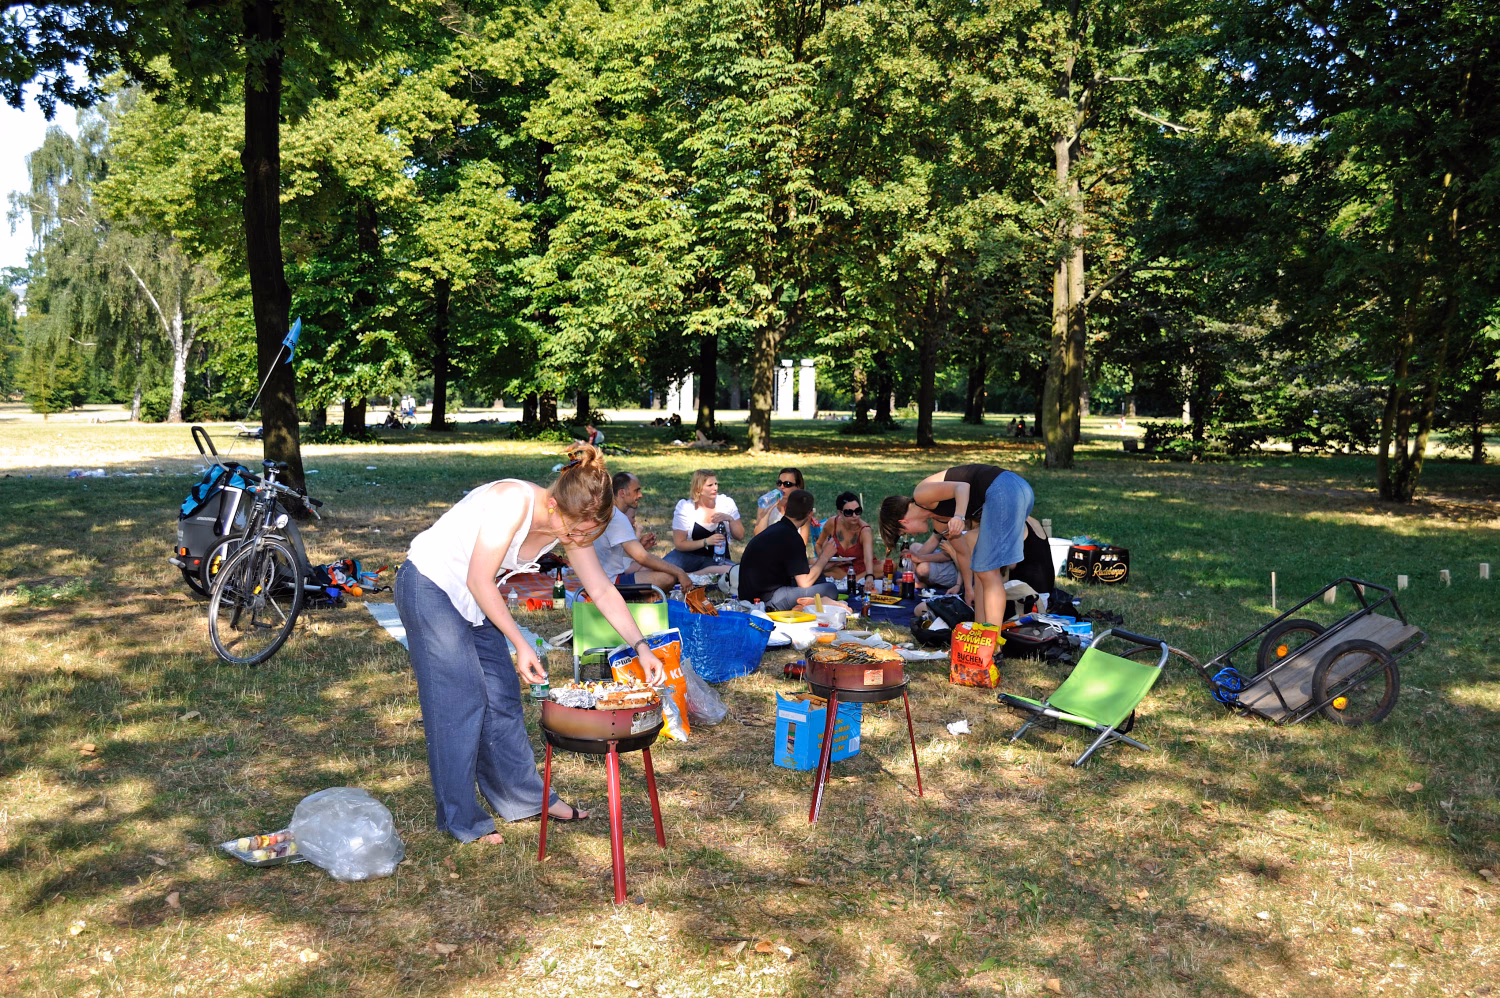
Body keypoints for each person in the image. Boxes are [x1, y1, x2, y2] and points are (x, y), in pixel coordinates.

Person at [394, 443, 665, 845]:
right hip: (430, 585)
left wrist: (643, 648)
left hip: (473, 599)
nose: (575, 540)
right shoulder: (511, 502)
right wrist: (521, 643)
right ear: (555, 506)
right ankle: (460, 818)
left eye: (585, 535)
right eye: (573, 532)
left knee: (502, 695)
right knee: (460, 697)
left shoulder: (574, 519)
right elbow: (479, 580)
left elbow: (603, 592)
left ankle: (523, 798)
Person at [879, 464, 1034, 627]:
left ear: (903, 522)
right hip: (1017, 492)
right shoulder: (940, 522)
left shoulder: (921, 494)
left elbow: (962, 487)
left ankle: (993, 643)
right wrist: (968, 588)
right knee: (981, 570)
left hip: (1005, 489)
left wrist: (959, 516)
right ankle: (980, 631)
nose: (912, 536)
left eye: (905, 533)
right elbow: (963, 553)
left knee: (988, 572)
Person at [738, 488, 839, 610]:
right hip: (766, 600)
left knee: (819, 578)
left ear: (785, 508)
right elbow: (804, 582)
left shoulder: (775, 530)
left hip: (750, 594)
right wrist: (825, 556)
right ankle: (815, 602)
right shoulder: (793, 538)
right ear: (810, 514)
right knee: (830, 589)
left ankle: (808, 602)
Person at [594, 472, 692, 591]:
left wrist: (639, 545)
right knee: (668, 577)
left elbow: (613, 554)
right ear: (622, 493)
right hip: (610, 583)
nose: (640, 495)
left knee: (659, 568)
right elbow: (642, 557)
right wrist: (679, 572)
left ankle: (650, 595)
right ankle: (649, 595)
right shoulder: (617, 518)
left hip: (602, 578)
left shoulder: (609, 512)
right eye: (636, 490)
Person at [662, 469, 742, 576]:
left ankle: (688, 576)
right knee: (663, 569)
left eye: (716, 484)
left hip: (718, 560)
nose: (715, 488)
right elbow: (679, 544)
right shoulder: (685, 508)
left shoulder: (726, 503)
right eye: (710, 485)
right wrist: (706, 541)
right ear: (698, 489)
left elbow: (740, 536)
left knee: (738, 573)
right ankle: (690, 575)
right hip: (689, 558)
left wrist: (730, 519)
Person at [815, 490, 874, 585]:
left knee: (886, 566)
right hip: (840, 567)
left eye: (858, 511)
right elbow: (818, 544)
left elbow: (868, 558)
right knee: (812, 563)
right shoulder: (832, 523)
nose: (855, 516)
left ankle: (848, 580)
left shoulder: (865, 530)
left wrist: (870, 576)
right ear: (840, 513)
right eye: (849, 513)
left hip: (862, 568)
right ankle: (850, 580)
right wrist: (823, 559)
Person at [752, 468, 804, 535]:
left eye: (787, 484)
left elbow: (803, 542)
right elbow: (758, 536)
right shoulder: (766, 504)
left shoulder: (803, 509)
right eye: (779, 483)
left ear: (798, 487)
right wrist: (767, 513)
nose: (782, 487)